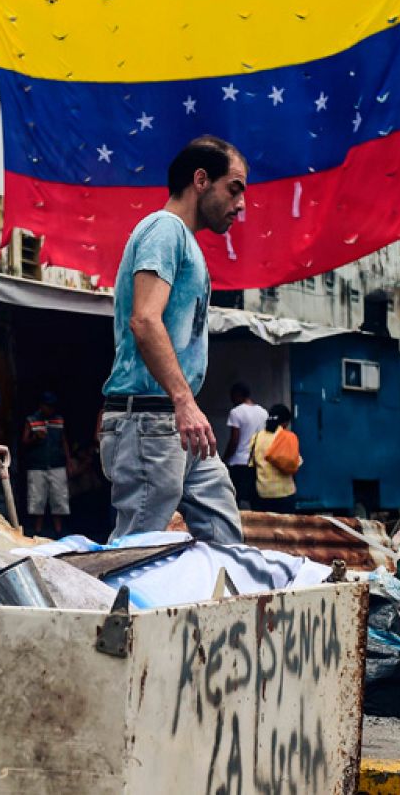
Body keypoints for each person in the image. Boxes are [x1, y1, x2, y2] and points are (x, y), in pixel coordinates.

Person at [99, 135, 247, 544]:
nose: (240, 205)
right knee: (137, 551)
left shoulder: (186, 242)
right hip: (152, 421)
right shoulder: (164, 229)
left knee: (225, 540)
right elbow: (145, 320)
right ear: (201, 180)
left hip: (177, 422)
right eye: (233, 189)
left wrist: (185, 406)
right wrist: (184, 400)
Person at [21, 392, 71, 536]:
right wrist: (35, 438)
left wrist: (68, 461)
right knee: (37, 499)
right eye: (47, 406)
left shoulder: (59, 420)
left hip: (57, 464)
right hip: (37, 465)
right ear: (41, 406)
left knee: (59, 498)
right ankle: (37, 530)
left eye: (52, 406)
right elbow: (24, 441)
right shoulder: (31, 420)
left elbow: (64, 441)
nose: (50, 409)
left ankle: (58, 530)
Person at [223, 382, 269, 508]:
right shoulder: (263, 412)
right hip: (256, 461)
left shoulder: (236, 412)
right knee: (254, 499)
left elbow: (234, 440)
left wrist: (225, 458)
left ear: (237, 395)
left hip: (238, 461)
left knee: (234, 499)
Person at [250, 404, 302, 509]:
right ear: (285, 422)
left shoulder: (256, 437)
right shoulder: (287, 437)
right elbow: (295, 463)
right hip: (284, 492)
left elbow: (252, 463)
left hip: (263, 493)